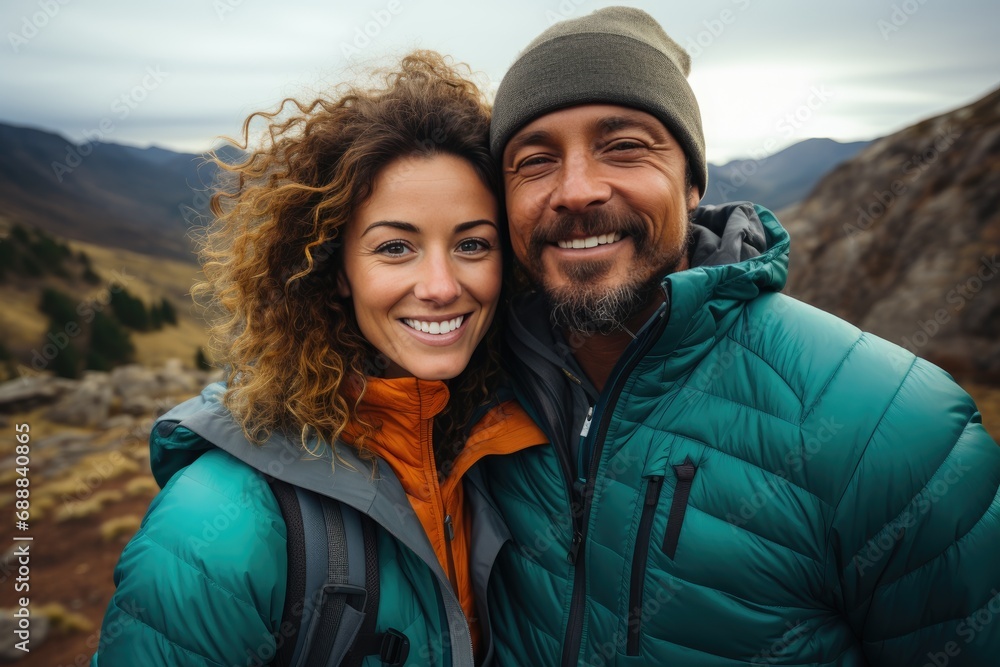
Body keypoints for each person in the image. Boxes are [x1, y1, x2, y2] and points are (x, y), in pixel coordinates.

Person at [482, 6, 1000, 666]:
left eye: (625, 147)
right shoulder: (468, 393)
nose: (577, 190)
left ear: (693, 181)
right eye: (534, 160)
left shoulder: (896, 432)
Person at [90, 51, 544, 666]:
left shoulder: (496, 451)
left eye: (471, 244)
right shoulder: (218, 524)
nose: (440, 285)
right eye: (395, 247)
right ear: (335, 271)